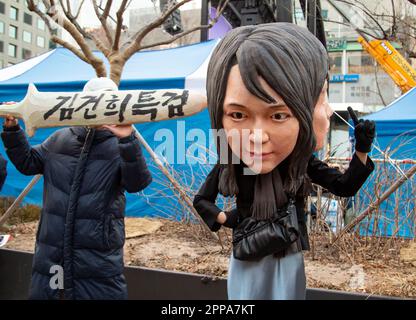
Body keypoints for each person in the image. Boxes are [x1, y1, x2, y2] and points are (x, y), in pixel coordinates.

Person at [193, 23, 375, 300]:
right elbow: (202, 200)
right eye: (238, 116)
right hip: (248, 250)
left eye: (278, 116)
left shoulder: (298, 162)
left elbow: (344, 186)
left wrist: (361, 151)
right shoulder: (231, 161)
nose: (257, 137)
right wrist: (229, 219)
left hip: (286, 250)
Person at [1, 77, 152, 300]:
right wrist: (13, 131)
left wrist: (128, 140)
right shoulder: (60, 138)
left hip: (98, 259)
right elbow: (28, 163)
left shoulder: (121, 144)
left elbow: (137, 183)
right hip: (52, 254)